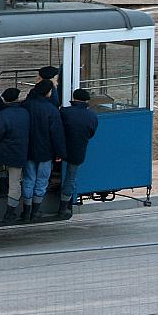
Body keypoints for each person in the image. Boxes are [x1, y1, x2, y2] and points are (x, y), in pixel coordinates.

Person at [21, 79, 66, 223]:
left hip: (28, 150)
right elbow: (57, 134)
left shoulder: (26, 106)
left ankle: (26, 211)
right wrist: (60, 152)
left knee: (29, 179)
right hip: (46, 151)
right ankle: (35, 211)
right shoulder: (51, 109)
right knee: (42, 180)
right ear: (48, 92)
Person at [0, 88, 30, 223]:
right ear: (17, 98)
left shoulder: (2, 114)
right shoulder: (25, 113)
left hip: (2, 151)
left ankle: (2, 187)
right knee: (15, 182)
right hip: (19, 152)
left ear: (4, 99)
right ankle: (9, 212)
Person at [58, 89, 98, 219]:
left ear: (74, 98)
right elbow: (91, 133)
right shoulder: (92, 116)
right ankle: (64, 207)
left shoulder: (64, 112)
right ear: (87, 101)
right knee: (70, 178)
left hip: (59, 148)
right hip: (78, 150)